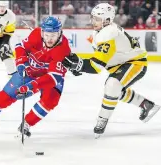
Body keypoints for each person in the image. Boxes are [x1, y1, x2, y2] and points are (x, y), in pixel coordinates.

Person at [62, 3, 160, 139]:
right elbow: (98, 59)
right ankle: (146, 105)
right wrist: (79, 65)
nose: (93, 21)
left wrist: (79, 65)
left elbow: (96, 67)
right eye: (93, 18)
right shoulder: (101, 31)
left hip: (135, 64)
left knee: (112, 85)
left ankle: (102, 120)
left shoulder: (109, 34)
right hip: (121, 64)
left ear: (107, 20)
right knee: (114, 90)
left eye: (97, 19)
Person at [0, 16, 71, 137]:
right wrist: (21, 64)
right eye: (47, 35)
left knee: (50, 100)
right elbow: (20, 47)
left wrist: (31, 86)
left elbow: (53, 78)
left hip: (50, 78)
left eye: (53, 35)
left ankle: (26, 124)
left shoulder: (63, 49)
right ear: (43, 32)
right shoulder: (36, 34)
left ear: (60, 33)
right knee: (5, 96)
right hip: (30, 71)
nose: (49, 39)